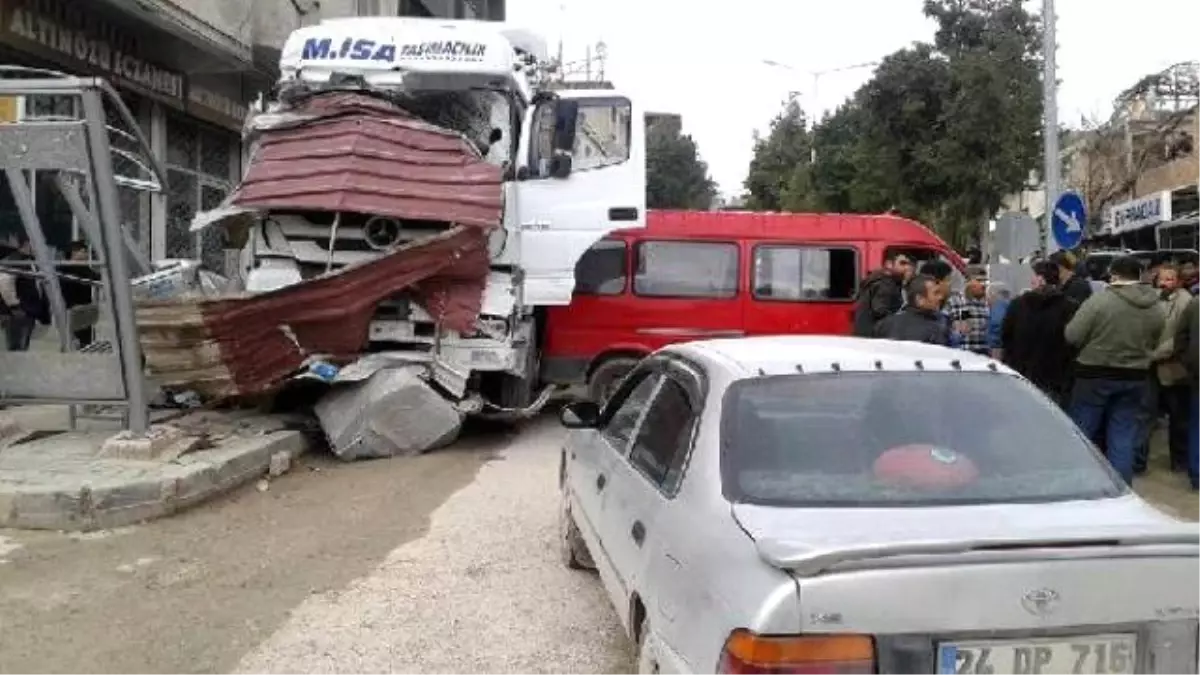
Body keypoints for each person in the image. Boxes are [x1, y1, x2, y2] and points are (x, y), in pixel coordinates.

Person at [1065, 255, 1165, 484]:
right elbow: (1156, 338)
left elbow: (1072, 335)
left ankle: (1081, 484)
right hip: (1135, 376)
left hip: (1094, 374)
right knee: (1123, 434)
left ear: (1114, 275)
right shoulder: (1155, 305)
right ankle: (1120, 487)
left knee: (1084, 432)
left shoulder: (1100, 301)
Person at [1138, 263, 1192, 474]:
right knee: (1144, 415)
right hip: (1149, 368)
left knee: (1179, 419)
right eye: (1162, 278)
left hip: (1174, 368)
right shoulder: (1150, 299)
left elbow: (1179, 337)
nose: (1164, 282)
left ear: (1178, 281)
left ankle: (1180, 462)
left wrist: (1152, 355)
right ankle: (1138, 462)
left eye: (1170, 278)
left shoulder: (1185, 301)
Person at [999, 261, 1077, 406]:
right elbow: (1073, 341)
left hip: (1020, 373)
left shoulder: (1018, 304)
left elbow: (1005, 336)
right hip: (1054, 376)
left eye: (1034, 276)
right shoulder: (1069, 307)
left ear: (1041, 279)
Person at [0, 238, 48, 351]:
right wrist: (14, 306)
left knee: (22, 345)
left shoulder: (28, 261)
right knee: (17, 347)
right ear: (27, 244)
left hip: (28, 310)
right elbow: (4, 284)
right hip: (19, 311)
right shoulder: (14, 260)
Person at [875, 274, 950, 345]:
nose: (941, 297)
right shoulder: (936, 331)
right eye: (936, 293)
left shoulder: (884, 324)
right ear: (920, 299)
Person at [852, 251, 912, 337]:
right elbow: (880, 310)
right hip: (874, 335)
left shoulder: (882, 281)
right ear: (889, 264)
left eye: (908, 264)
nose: (907, 267)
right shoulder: (885, 284)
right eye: (902, 263)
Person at [60, 240, 100, 348]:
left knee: (86, 338)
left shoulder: (83, 268)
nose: (86, 254)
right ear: (74, 253)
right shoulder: (67, 268)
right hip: (73, 309)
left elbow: (97, 277)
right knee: (77, 339)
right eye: (83, 251)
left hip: (84, 309)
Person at [946, 269, 990, 355]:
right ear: (968, 282)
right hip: (963, 352)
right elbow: (962, 328)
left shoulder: (986, 304)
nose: (983, 285)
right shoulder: (956, 301)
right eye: (979, 281)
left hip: (984, 352)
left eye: (985, 281)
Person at [987, 284, 1011, 359]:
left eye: (988, 295)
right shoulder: (1011, 305)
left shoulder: (998, 306)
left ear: (993, 294)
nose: (988, 299)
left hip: (998, 348)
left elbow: (997, 324)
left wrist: (993, 344)